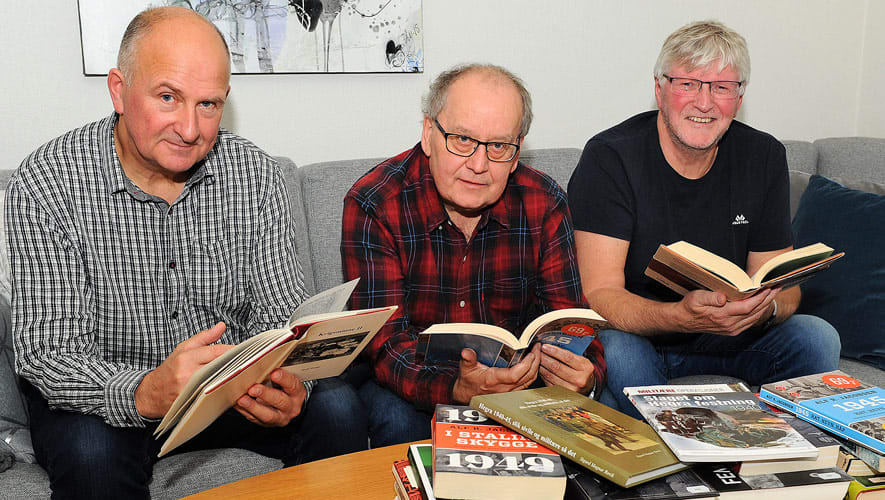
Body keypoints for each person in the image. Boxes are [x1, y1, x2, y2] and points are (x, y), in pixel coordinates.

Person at [7, 7, 366, 499]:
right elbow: (50, 352)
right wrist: (144, 391)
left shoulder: (256, 176)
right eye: (168, 97)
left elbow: (280, 316)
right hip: (108, 396)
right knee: (91, 458)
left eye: (208, 104)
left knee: (338, 408)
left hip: (230, 391)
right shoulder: (48, 183)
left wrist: (291, 384)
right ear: (118, 90)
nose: (190, 128)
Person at [567, 20, 840, 419]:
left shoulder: (763, 156)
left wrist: (762, 310)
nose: (705, 102)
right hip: (641, 334)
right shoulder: (610, 158)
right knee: (616, 350)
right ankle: (675, 443)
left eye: (722, 87)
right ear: (660, 89)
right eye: (688, 84)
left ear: (739, 97)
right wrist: (678, 316)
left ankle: (771, 445)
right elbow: (599, 294)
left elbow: (783, 287)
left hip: (731, 337)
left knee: (817, 337)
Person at [341, 63, 607, 446]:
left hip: (517, 378)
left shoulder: (544, 202)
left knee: (595, 402)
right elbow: (384, 346)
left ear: (516, 154)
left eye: (498, 146)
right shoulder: (375, 203)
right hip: (411, 380)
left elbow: (570, 320)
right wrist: (457, 388)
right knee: (396, 418)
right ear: (428, 134)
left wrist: (586, 375)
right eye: (462, 139)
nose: (479, 165)